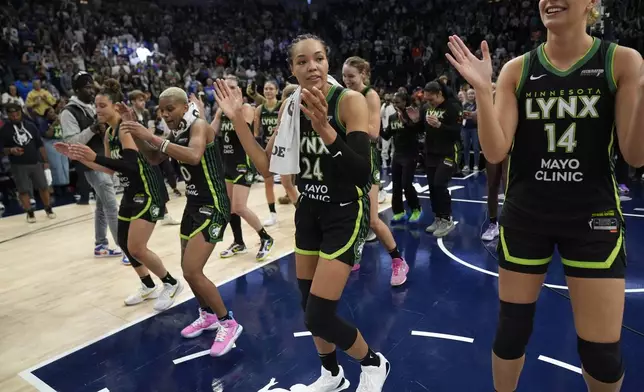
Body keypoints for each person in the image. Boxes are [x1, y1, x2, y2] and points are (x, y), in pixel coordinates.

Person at [446, 0, 644, 390]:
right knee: (511, 333)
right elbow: (495, 151)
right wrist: (483, 92)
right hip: (526, 216)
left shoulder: (622, 61)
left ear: (591, 3)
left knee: (601, 353)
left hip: (593, 218)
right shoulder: (517, 69)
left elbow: (635, 154)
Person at [214, 33, 390, 391]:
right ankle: (332, 376)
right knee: (308, 307)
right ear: (292, 69)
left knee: (319, 314)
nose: (312, 67)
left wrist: (325, 128)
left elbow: (360, 173)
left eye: (319, 58)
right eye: (302, 61)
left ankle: (373, 362)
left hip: (344, 212)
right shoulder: (290, 106)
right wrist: (237, 121)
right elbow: (266, 167)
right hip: (309, 212)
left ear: (327, 62)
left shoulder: (350, 101)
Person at [119, 88, 243, 357]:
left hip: (213, 205)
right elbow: (153, 158)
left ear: (184, 106)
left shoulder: (198, 126)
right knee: (187, 268)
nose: (164, 114)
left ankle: (228, 322)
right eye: (161, 111)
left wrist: (151, 136)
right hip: (193, 204)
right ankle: (207, 315)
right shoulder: (177, 132)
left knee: (192, 270)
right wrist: (136, 132)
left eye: (169, 109)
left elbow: (194, 155)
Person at [57, 79, 183, 311]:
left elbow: (131, 165)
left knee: (136, 247)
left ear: (116, 106)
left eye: (102, 105)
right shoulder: (108, 135)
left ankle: (171, 283)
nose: (98, 110)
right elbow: (111, 168)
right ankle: (147, 285)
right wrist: (79, 156)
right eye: (96, 106)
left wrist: (93, 157)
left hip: (148, 190)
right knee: (124, 244)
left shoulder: (125, 129)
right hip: (130, 192)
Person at [342, 56, 409, 285]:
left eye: (351, 76)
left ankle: (398, 260)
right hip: (349, 158)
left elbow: (373, 133)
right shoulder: (345, 95)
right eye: (344, 76)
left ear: (363, 74)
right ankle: (354, 257)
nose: (347, 80)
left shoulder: (369, 95)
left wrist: (349, 126)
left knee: (371, 219)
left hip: (367, 158)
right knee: (351, 215)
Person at [60, 72, 126, 263]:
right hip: (91, 164)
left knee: (102, 206)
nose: (91, 90)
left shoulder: (92, 107)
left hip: (102, 160)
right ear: (77, 90)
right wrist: (92, 129)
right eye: (86, 88)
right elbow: (71, 142)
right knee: (112, 206)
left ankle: (101, 245)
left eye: (92, 86)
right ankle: (125, 249)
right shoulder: (68, 112)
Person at [212, 75, 274, 261]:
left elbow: (244, 133)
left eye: (231, 87)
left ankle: (266, 237)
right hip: (228, 163)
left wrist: (235, 111)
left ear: (238, 90)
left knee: (239, 206)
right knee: (230, 207)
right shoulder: (220, 111)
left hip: (243, 163)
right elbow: (210, 134)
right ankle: (239, 242)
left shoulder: (246, 108)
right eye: (224, 87)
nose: (227, 90)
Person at [414, 81, 463, 238]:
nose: (429, 102)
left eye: (431, 99)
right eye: (426, 100)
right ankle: (438, 217)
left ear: (439, 94)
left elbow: (456, 132)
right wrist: (413, 120)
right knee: (432, 186)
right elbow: (420, 129)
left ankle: (447, 219)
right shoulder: (426, 108)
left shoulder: (453, 107)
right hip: (431, 152)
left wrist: (440, 125)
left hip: (448, 151)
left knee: (440, 184)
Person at [0, 103, 56, 222]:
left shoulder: (30, 126)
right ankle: (30, 212)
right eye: (12, 115)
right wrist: (11, 150)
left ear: (21, 113)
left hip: (35, 162)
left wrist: (45, 161)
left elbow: (40, 145)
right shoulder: (4, 130)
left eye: (17, 114)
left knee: (43, 186)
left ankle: (48, 208)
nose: (15, 117)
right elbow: (1, 150)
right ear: (8, 115)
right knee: (23, 189)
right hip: (18, 165)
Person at [381, 92, 421, 227]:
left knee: (406, 184)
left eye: (397, 102)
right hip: (397, 155)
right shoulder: (393, 117)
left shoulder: (413, 114)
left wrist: (408, 122)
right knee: (396, 186)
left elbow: (418, 131)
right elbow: (386, 135)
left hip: (411, 154)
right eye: (394, 102)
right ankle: (399, 211)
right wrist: (376, 125)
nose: (395, 104)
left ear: (405, 102)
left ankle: (416, 209)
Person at [253, 81, 282, 227]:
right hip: (268, 149)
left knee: (290, 183)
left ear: (277, 91)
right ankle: (272, 214)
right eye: (266, 89)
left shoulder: (281, 106)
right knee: (268, 182)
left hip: (283, 148)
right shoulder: (259, 109)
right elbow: (256, 133)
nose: (268, 91)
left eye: (271, 88)